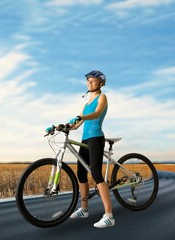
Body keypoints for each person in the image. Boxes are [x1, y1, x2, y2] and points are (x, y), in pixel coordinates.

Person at [68, 70, 114, 228]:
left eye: (93, 81)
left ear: (100, 83)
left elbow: (96, 114)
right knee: (81, 174)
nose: (90, 83)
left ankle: (109, 216)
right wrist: (61, 126)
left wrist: (81, 117)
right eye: (88, 81)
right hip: (85, 139)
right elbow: (76, 124)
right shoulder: (86, 103)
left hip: (95, 137)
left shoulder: (102, 97)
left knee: (95, 173)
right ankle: (84, 209)